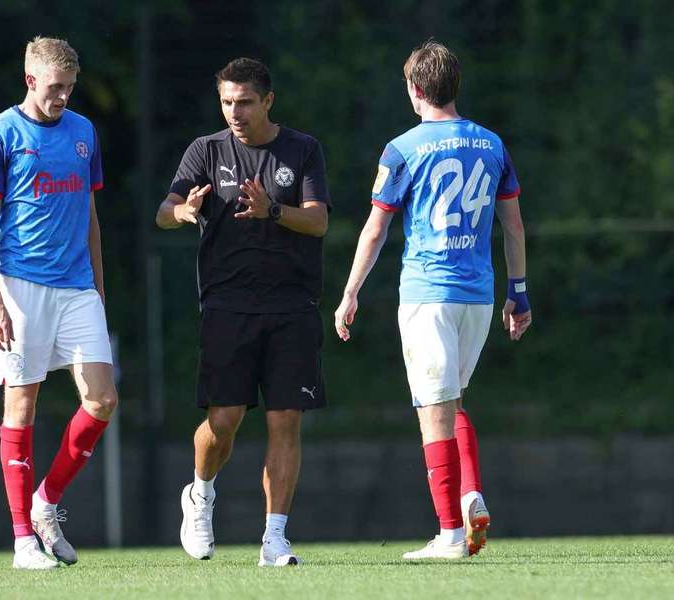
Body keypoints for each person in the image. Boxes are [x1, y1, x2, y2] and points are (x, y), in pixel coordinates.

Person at [334, 40, 531, 560]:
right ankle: (470, 494)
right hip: (479, 298)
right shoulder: (492, 144)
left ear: (416, 89)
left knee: (431, 411)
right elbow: (512, 226)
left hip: (428, 295)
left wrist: (350, 291)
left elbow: (376, 230)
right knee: (453, 401)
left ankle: (448, 534)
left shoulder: (402, 148)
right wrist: (519, 292)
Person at [156, 57, 330, 567]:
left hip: (292, 306)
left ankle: (274, 538)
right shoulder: (205, 151)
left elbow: (318, 222)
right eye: (227, 102)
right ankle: (201, 494)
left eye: (245, 102)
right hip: (227, 305)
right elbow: (164, 212)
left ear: (268, 101)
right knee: (224, 418)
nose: (235, 111)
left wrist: (271, 211)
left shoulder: (302, 150)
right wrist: (185, 211)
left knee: (285, 421)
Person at [0, 36, 118, 570]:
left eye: (70, 88)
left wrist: (98, 287)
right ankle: (22, 541)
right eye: (55, 88)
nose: (64, 97)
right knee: (21, 406)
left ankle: (46, 502)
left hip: (77, 286)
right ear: (30, 80)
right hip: (20, 285)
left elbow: (91, 215)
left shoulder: (83, 132)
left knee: (102, 400)